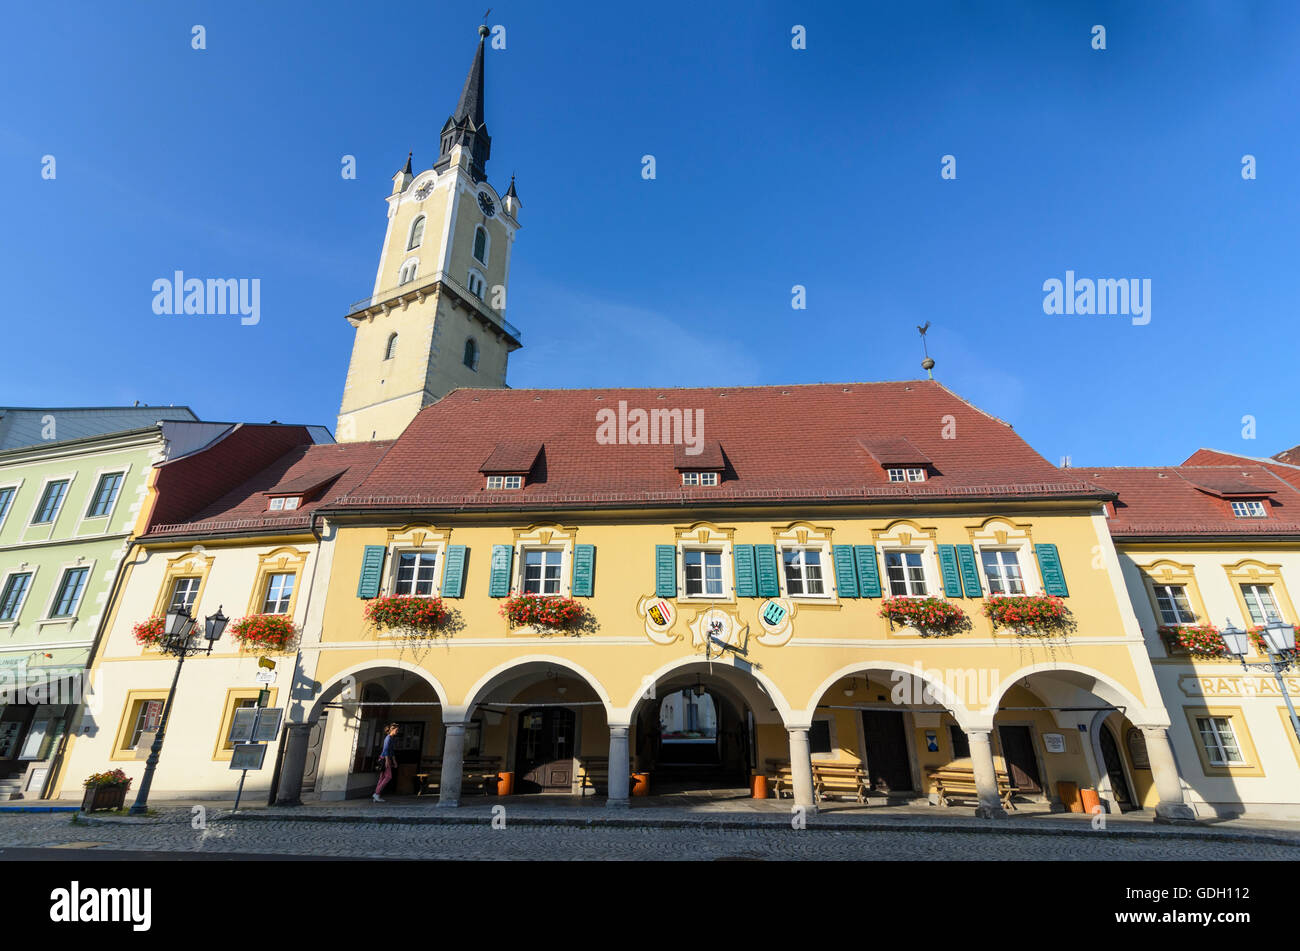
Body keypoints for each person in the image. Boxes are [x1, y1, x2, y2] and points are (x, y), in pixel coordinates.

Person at [373, 723, 399, 802]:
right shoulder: (388, 738)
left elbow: (391, 751)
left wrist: (394, 761)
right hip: (385, 758)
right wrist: (387, 761)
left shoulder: (391, 738)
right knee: (388, 777)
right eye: (396, 730)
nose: (397, 731)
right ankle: (376, 793)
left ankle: (376, 795)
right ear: (392, 730)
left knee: (382, 777)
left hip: (387, 758)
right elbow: (386, 750)